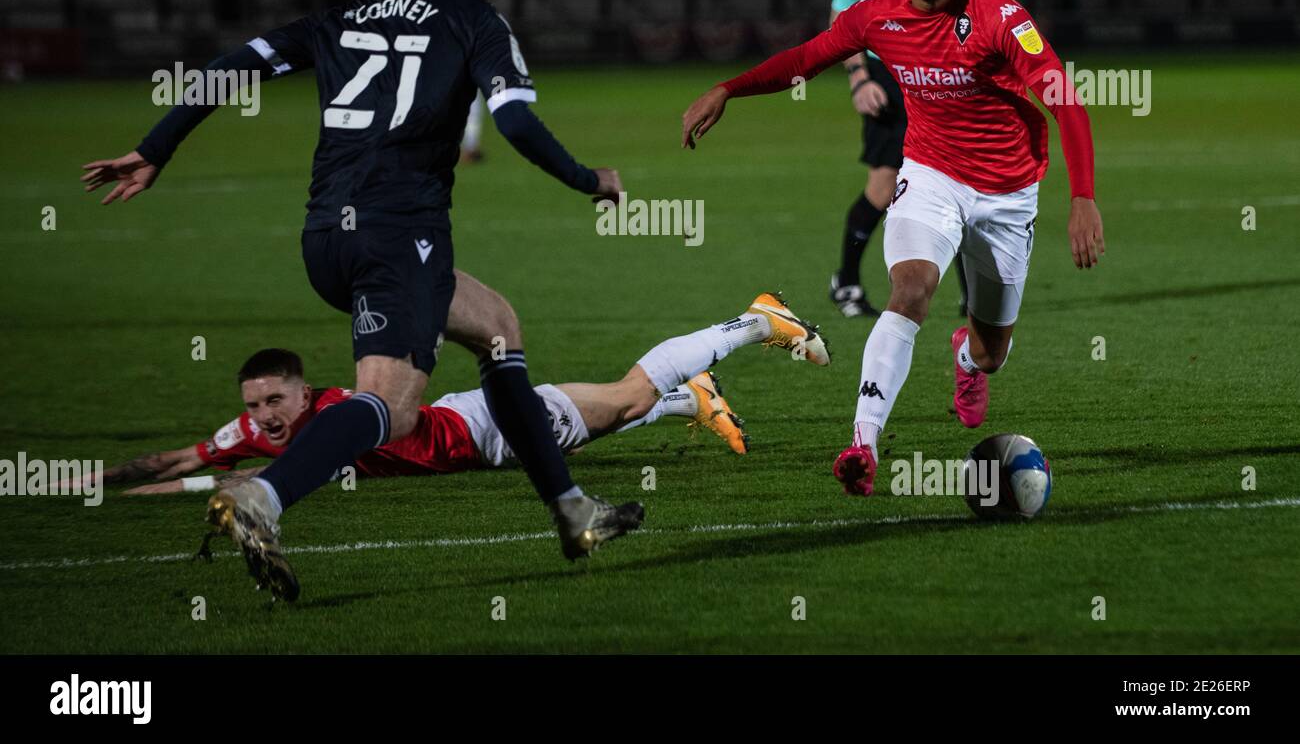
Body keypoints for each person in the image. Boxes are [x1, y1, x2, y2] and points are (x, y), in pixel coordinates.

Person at [82, 0, 638, 601]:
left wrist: (153, 149)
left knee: (496, 326)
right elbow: (518, 125)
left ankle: (572, 511)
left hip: (326, 238)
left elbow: (231, 64)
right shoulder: (475, 19)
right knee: (392, 408)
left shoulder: (340, 18)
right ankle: (264, 498)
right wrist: (591, 179)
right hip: (398, 238)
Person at [681, 0, 1103, 499]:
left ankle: (966, 360)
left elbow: (1063, 96)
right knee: (910, 290)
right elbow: (807, 57)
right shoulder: (877, 15)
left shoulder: (999, 14)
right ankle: (863, 442)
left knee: (991, 353)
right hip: (931, 175)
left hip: (1009, 194)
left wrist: (1082, 196)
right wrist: (730, 88)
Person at [89, 292, 829, 498]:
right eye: (254, 407)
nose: (264, 418)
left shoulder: (337, 413)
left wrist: (226, 484)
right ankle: (695, 398)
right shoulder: (255, 435)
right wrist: (93, 484)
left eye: (274, 402)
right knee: (619, 409)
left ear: (304, 390)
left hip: (486, 428)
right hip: (481, 447)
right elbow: (179, 460)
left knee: (628, 396)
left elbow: (238, 477)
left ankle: (755, 320)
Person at [828, 0, 972, 319]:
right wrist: (858, 79)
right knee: (884, 185)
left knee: (964, 179)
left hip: (946, 77)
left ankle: (974, 293)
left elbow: (970, 10)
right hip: (890, 77)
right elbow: (841, 17)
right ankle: (846, 281)